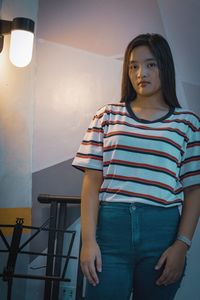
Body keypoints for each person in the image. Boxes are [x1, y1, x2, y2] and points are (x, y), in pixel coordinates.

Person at [72, 33, 200, 300]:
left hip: (162, 235)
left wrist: (182, 245)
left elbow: (194, 190)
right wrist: (88, 241)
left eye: (151, 64)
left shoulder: (188, 123)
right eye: (133, 65)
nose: (141, 72)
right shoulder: (106, 115)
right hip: (110, 233)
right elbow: (91, 183)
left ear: (165, 67)